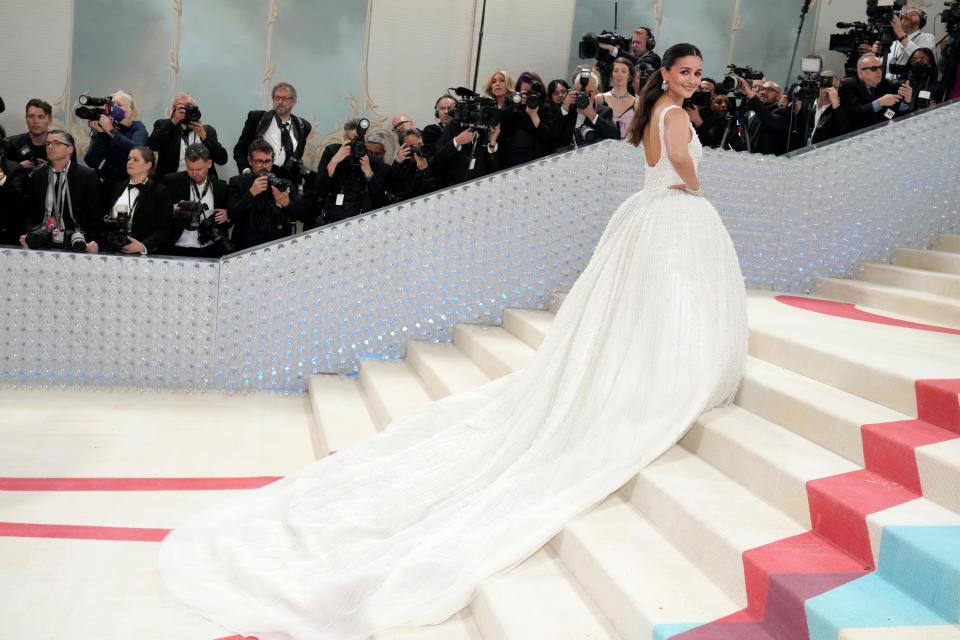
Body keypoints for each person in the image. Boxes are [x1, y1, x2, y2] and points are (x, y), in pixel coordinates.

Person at [159, 41, 747, 640]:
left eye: (699, 74)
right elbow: (679, 160)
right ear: (667, 75)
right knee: (664, 299)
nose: (695, 81)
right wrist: (696, 191)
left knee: (643, 304)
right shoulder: (673, 116)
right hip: (671, 213)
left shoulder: (650, 112)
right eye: (686, 72)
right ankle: (667, 378)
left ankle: (648, 369)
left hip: (644, 216)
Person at [18, 130, 100, 253]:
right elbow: (30, 213)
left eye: (56, 143)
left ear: (70, 149)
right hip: (41, 242)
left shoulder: (87, 176)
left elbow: (94, 216)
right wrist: (29, 236)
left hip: (76, 243)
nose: (50, 147)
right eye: (48, 143)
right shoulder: (38, 175)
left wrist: (92, 242)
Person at [228, 138, 310, 250]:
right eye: (259, 161)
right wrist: (251, 194)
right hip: (247, 247)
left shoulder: (285, 184)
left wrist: (287, 204)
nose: (264, 166)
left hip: (278, 247)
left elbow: (304, 215)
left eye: (268, 161)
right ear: (250, 161)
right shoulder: (237, 182)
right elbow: (232, 216)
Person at [309, 119, 388, 225]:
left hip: (360, 220)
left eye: (361, 140)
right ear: (345, 138)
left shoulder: (370, 158)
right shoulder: (331, 152)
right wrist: (334, 161)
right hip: (332, 218)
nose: (358, 144)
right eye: (354, 140)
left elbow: (380, 199)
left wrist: (369, 174)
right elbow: (319, 189)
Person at [233, 82, 312, 187]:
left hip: (287, 184)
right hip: (259, 180)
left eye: (285, 98)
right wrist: (247, 171)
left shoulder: (302, 126)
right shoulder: (257, 119)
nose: (280, 101)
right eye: (277, 98)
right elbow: (239, 149)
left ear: (294, 102)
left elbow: (298, 156)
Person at [161, 143, 231, 258]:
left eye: (198, 169)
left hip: (212, 250)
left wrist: (227, 215)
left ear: (209, 163)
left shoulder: (221, 187)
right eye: (190, 169)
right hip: (176, 249)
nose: (194, 173)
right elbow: (155, 213)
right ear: (186, 162)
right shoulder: (170, 181)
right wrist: (170, 209)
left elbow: (232, 216)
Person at [99, 146, 172, 254]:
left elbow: (165, 229)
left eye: (135, 160)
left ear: (148, 165)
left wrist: (143, 246)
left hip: (142, 255)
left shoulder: (159, 191)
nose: (130, 162)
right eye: (129, 159)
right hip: (112, 249)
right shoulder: (116, 187)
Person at [148, 95, 229, 181]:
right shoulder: (163, 125)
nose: (186, 110)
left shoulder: (207, 130)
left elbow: (222, 159)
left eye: (189, 106)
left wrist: (204, 137)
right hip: (171, 182)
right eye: (181, 107)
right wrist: (173, 122)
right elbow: (153, 145)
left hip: (201, 181)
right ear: (173, 110)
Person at [83, 90, 149, 186]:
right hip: (102, 182)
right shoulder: (103, 126)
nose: (114, 108)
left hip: (126, 183)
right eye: (112, 104)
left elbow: (139, 150)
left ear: (130, 110)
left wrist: (111, 131)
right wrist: (101, 134)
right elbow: (90, 161)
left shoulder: (136, 127)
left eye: (119, 105)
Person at [839, 54, 913, 132]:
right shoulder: (849, 86)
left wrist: (906, 102)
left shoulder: (885, 83)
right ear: (860, 72)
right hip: (859, 133)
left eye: (880, 67)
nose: (879, 72)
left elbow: (895, 111)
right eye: (874, 68)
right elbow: (855, 114)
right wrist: (879, 103)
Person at [551, 67, 620, 149]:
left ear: (596, 93)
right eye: (581, 91)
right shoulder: (566, 109)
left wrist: (592, 116)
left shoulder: (603, 111)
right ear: (573, 90)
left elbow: (616, 136)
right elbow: (552, 135)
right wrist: (564, 108)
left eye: (590, 92)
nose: (585, 96)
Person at [497, 71, 554, 168]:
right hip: (509, 157)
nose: (528, 97)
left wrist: (534, 115)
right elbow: (501, 126)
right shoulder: (511, 102)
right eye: (525, 93)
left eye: (531, 93)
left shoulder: (544, 106)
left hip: (534, 159)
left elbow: (547, 137)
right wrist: (514, 105)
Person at [6, 99, 77, 169]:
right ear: (26, 118)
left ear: (50, 120)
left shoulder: (64, 146)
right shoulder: (10, 143)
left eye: (41, 117)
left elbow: (73, 173)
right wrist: (18, 166)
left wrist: (51, 168)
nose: (35, 121)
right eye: (31, 116)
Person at [738, 80, 791, 155]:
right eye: (762, 89)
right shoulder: (755, 114)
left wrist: (751, 95)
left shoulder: (782, 114)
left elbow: (769, 120)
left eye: (769, 90)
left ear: (779, 97)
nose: (763, 92)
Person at [884, 6, 937, 81]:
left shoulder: (928, 38)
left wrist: (901, 34)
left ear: (922, 20)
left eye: (913, 14)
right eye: (905, 14)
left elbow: (921, 59)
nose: (906, 16)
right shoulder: (895, 43)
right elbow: (884, 66)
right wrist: (875, 54)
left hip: (910, 86)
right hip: (889, 84)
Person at [385, 128, 437, 203]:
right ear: (404, 148)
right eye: (413, 147)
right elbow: (391, 187)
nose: (418, 149)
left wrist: (425, 171)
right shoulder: (403, 162)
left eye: (420, 144)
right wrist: (397, 164)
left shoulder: (432, 160)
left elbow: (434, 191)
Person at [595, 57, 637, 138]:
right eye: (616, 71)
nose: (619, 74)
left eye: (623, 71)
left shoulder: (636, 103)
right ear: (612, 74)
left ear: (630, 76)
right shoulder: (599, 98)